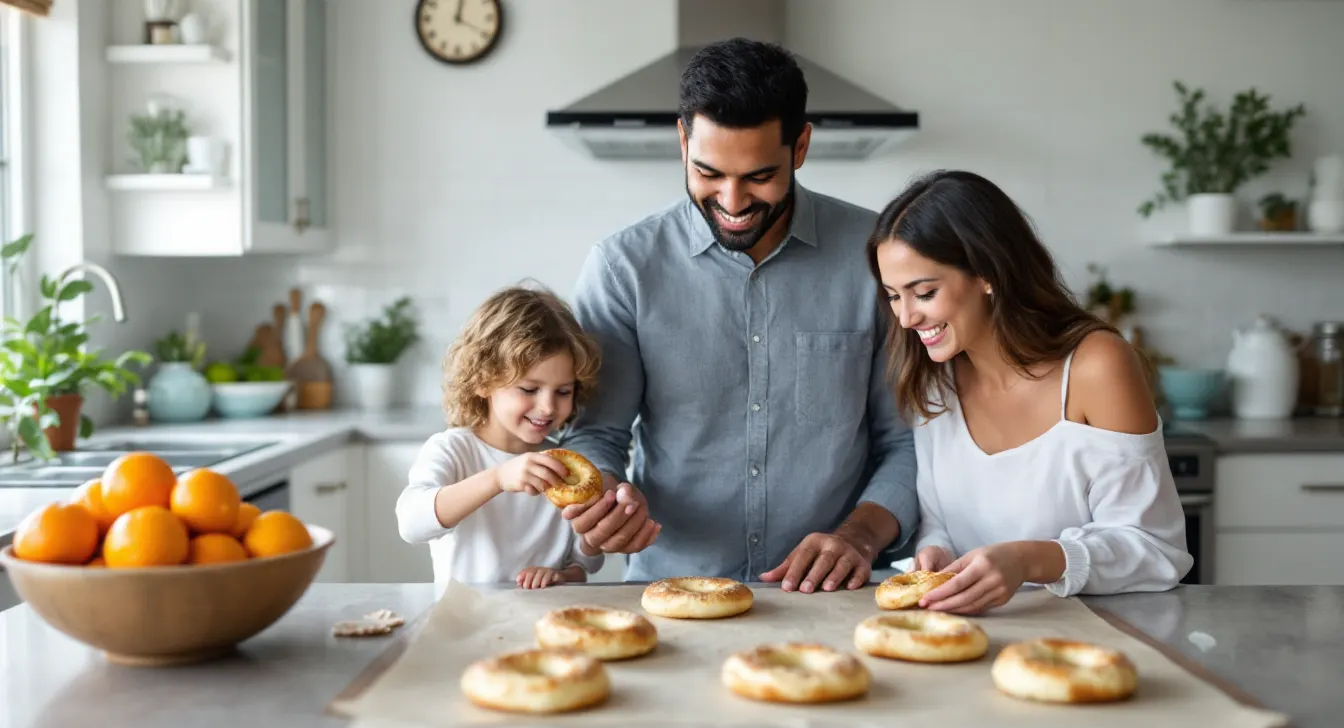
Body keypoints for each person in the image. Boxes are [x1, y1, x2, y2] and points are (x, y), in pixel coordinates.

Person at [558, 38, 919, 591]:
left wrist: (860, 537)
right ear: (682, 142)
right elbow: (597, 434)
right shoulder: (622, 268)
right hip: (671, 591)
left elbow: (909, 441)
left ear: (800, 147)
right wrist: (604, 497)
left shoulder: (875, 259)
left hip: (834, 596)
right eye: (709, 173)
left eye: (757, 177)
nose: (731, 201)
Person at [867, 169, 1194, 615]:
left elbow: (1156, 550)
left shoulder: (1096, 367)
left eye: (923, 293)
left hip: (1098, 638)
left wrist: (1029, 560)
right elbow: (942, 521)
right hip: (973, 638)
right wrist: (936, 551)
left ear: (986, 273)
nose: (906, 318)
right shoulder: (931, 376)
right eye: (892, 296)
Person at [394, 286, 655, 588]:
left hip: (544, 622)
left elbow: (584, 565)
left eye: (563, 392)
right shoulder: (454, 449)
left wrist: (563, 572)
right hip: (468, 622)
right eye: (529, 389)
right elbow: (411, 524)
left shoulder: (567, 467)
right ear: (483, 381)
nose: (547, 406)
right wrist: (497, 479)